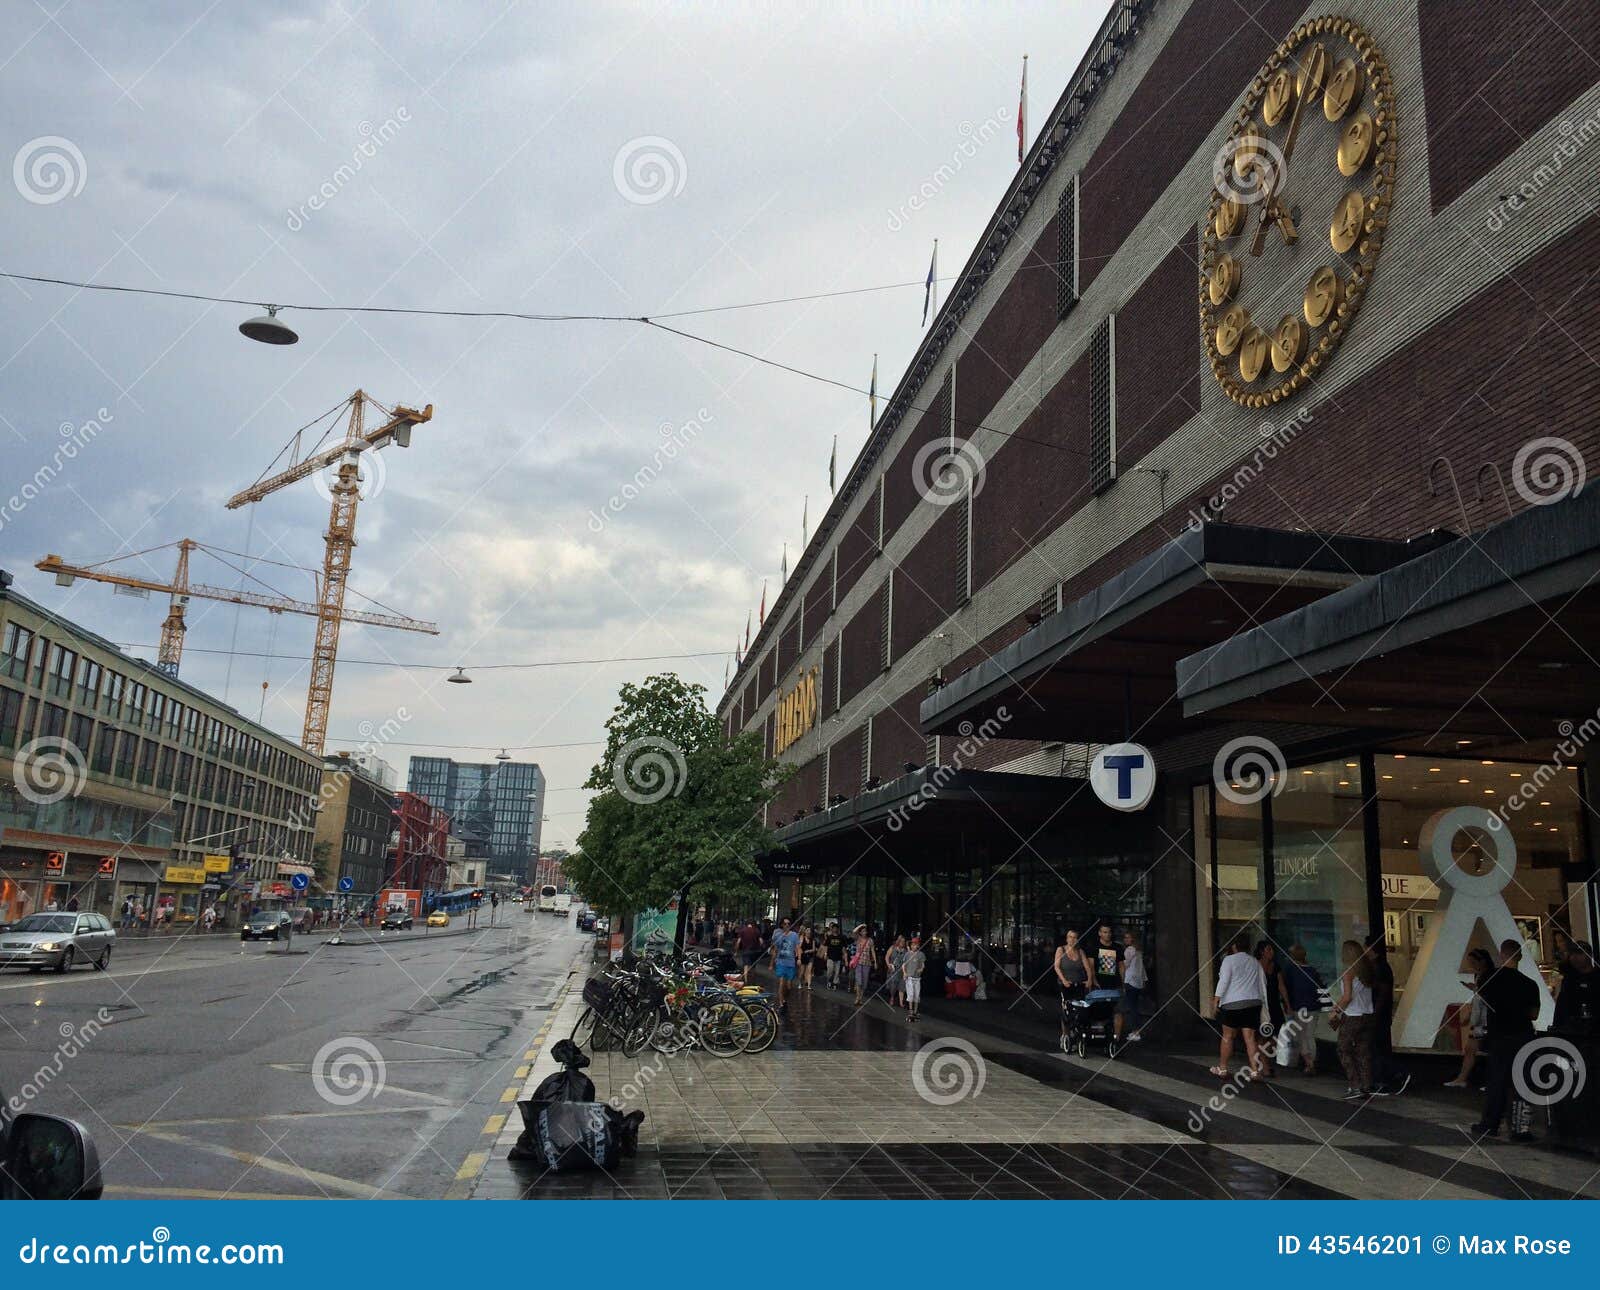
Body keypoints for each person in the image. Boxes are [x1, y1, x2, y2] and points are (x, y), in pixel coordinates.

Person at [1470, 939, 1542, 1142]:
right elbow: (1534, 1015)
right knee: (1522, 1084)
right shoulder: (1530, 984)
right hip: (1523, 1036)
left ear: (1501, 955)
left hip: (1500, 1037)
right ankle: (1520, 1129)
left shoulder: (1489, 979)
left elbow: (1483, 1003)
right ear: (1519, 957)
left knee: (1497, 1082)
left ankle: (1489, 1124)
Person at [1212, 932, 1266, 1078]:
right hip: (1252, 1003)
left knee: (1228, 1036)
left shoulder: (1229, 960)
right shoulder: (1255, 961)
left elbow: (1224, 980)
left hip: (1232, 1003)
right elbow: (1262, 983)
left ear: (1234, 946)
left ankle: (1223, 1069)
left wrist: (1216, 999)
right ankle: (1255, 1070)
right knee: (1250, 1038)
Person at [1333, 938, 1377, 1101]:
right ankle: (1366, 1086)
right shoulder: (1367, 972)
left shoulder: (1348, 973)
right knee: (1362, 1052)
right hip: (1367, 1015)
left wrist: (1335, 1010)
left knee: (1343, 1049)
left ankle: (1355, 1085)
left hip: (1352, 1017)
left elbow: (1347, 997)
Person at [1366, 940, 1410, 1096]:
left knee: (1376, 1047)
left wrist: (1374, 1013)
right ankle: (1383, 1077)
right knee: (1376, 1047)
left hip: (1379, 1014)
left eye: (1367, 948)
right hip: (1379, 1013)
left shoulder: (1381, 968)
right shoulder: (1378, 967)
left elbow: (1383, 993)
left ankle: (1394, 1074)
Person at [1446, 947, 1494, 1088]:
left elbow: (1485, 996)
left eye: (1473, 962)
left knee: (1476, 1048)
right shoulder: (1481, 975)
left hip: (1484, 1018)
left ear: (1482, 961)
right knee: (1472, 1048)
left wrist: (1474, 990)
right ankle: (1463, 1078)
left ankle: (1464, 1078)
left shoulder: (1487, 976)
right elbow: (1479, 997)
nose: (1472, 966)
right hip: (1480, 1017)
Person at [1278, 944, 1324, 1074]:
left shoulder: (1290, 970)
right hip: (1313, 1007)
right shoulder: (1312, 970)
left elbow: (1284, 988)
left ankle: (1308, 1063)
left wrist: (1287, 1005)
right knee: (1309, 1035)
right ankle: (1311, 1062)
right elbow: (1319, 988)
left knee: (1300, 1036)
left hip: (1298, 1007)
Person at [1553, 940, 1599, 1034]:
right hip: (1573, 1032)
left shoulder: (1597, 977)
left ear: (1589, 954)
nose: (1575, 957)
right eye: (1572, 954)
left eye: (1579, 953)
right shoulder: (1570, 980)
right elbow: (1561, 1006)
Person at [1054, 929, 1091, 1045]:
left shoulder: (1080, 952)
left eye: (1074, 937)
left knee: (1080, 1008)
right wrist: (1064, 980)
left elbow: (1088, 967)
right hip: (1065, 984)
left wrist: (1089, 979)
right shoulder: (1061, 950)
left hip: (1079, 983)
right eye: (1070, 937)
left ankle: (1077, 1031)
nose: (1072, 939)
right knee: (1066, 1008)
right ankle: (1065, 1034)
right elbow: (1056, 966)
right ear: (1067, 938)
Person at [1254, 940, 1284, 1078]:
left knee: (1275, 1034)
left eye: (1272, 950)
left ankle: (1263, 1060)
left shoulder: (1275, 966)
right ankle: (1265, 1065)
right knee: (1263, 1035)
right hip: (1261, 1005)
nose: (1271, 952)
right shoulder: (1255, 966)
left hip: (1274, 1004)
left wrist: (1287, 1003)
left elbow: (1281, 986)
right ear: (1261, 951)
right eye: (1268, 949)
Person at [1117, 930, 1147, 1043]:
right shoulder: (1139, 951)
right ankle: (1136, 1031)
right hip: (1138, 982)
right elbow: (1142, 969)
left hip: (1130, 981)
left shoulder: (1129, 950)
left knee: (1131, 1006)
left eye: (1128, 937)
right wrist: (1143, 981)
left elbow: (1124, 964)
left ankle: (1135, 1031)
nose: (1125, 939)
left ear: (1132, 939)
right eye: (1125, 937)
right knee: (1135, 1006)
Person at [769, 917, 801, 1011]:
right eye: (785, 923)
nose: (787, 925)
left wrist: (799, 958)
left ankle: (784, 999)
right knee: (781, 983)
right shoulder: (778, 936)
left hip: (790, 963)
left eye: (788, 923)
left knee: (789, 986)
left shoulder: (794, 935)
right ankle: (781, 1004)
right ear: (782, 925)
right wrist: (771, 964)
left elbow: (798, 947)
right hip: (780, 962)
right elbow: (775, 950)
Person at [849, 924, 877, 1007]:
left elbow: (872, 951)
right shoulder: (858, 938)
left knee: (864, 983)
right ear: (860, 932)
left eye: (866, 931)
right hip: (859, 962)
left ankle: (860, 998)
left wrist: (875, 962)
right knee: (859, 981)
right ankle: (857, 998)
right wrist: (861, 925)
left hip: (867, 963)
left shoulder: (870, 940)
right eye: (863, 931)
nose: (865, 932)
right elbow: (854, 931)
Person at [1091, 923, 1121, 992]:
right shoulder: (1093, 947)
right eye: (1105, 932)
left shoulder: (1117, 947)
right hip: (1098, 984)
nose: (1107, 934)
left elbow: (1121, 966)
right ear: (1099, 933)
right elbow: (1091, 966)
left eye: (1109, 932)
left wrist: (1123, 982)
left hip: (1114, 984)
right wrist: (1094, 980)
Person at [903, 936, 927, 1020]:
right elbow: (903, 965)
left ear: (918, 945)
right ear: (911, 945)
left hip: (917, 978)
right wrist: (905, 973)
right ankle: (911, 1011)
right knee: (911, 994)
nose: (914, 946)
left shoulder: (921, 954)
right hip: (909, 977)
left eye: (916, 944)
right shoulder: (907, 954)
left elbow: (923, 965)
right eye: (912, 944)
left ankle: (915, 1012)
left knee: (917, 995)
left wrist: (921, 969)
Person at [884, 935, 908, 1009]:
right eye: (901, 941)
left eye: (904, 942)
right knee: (893, 985)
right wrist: (888, 965)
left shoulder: (906, 950)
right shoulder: (892, 948)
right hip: (893, 970)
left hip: (902, 971)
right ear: (898, 941)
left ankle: (901, 1002)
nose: (902, 943)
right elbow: (887, 957)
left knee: (902, 986)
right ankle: (892, 997)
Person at [824, 922, 846, 989]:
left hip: (838, 957)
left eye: (836, 928)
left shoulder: (841, 937)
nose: (835, 929)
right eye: (834, 928)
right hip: (830, 956)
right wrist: (825, 954)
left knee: (837, 972)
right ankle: (829, 981)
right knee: (829, 970)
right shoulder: (829, 937)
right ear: (832, 929)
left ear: (838, 929)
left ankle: (835, 983)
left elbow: (843, 947)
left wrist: (844, 955)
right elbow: (826, 946)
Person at [798, 923, 816, 991]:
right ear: (805, 931)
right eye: (807, 930)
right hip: (803, 956)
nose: (809, 932)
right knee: (802, 972)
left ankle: (809, 985)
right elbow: (799, 946)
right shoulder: (802, 938)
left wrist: (808, 951)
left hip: (810, 957)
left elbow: (814, 949)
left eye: (810, 931)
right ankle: (800, 983)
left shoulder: (812, 940)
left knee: (809, 971)